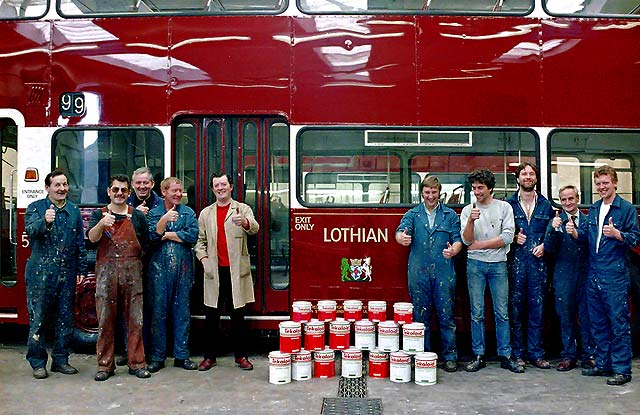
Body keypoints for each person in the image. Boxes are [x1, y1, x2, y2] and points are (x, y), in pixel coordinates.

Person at [569, 165, 640, 386]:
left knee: (618, 323)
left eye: (605, 183)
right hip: (594, 273)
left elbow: (636, 239)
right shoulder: (595, 208)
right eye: (598, 183)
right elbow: (589, 238)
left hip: (614, 274)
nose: (601, 187)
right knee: (597, 322)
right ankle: (603, 363)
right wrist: (575, 234)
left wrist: (619, 234)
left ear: (615, 183)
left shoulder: (626, 209)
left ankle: (622, 369)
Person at [24, 170, 87, 379]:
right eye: (57, 185)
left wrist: (81, 269)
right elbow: (31, 231)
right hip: (40, 272)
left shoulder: (73, 211)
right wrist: (46, 222)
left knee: (65, 318)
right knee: (39, 317)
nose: (62, 189)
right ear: (48, 188)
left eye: (65, 184)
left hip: (66, 271)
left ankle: (60, 360)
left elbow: (80, 243)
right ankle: (37, 362)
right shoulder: (36, 208)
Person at [395, 176, 462, 372]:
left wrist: (454, 251)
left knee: (446, 316)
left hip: (444, 272)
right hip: (419, 272)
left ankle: (450, 356)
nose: (430, 196)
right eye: (427, 193)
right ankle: (423, 355)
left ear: (439, 192)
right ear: (421, 193)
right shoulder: (413, 214)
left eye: (434, 192)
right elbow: (399, 232)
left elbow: (458, 240)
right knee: (420, 316)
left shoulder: (449, 215)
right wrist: (402, 238)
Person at [87, 175, 150, 381]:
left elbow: (146, 245)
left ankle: (137, 363)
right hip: (106, 273)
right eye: (115, 190)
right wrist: (101, 225)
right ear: (108, 192)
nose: (119, 194)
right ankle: (105, 366)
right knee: (105, 320)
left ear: (128, 193)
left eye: (123, 190)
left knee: (135, 320)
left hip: (133, 273)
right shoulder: (99, 214)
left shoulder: (137, 217)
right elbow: (91, 239)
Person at [194, 172, 259, 371]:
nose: (220, 188)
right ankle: (209, 357)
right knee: (211, 316)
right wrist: (204, 260)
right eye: (216, 185)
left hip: (235, 272)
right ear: (212, 189)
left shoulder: (242, 208)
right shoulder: (206, 213)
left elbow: (255, 228)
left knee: (238, 316)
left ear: (231, 186)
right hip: (214, 271)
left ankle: (241, 356)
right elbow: (199, 242)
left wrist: (245, 223)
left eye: (224, 184)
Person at [460, 169, 523, 373]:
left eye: (480, 188)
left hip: (498, 264)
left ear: (490, 188)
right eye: (474, 188)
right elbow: (467, 240)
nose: (476, 192)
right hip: (475, 266)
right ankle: (479, 355)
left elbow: (507, 237)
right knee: (476, 312)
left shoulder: (504, 208)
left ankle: (505, 354)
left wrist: (481, 245)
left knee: (502, 312)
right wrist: (471, 221)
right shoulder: (468, 210)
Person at [146, 177, 199, 372]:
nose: (178, 194)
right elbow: (152, 236)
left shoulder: (188, 212)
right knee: (158, 313)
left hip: (183, 271)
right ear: (164, 192)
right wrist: (164, 221)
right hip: (158, 272)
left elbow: (192, 236)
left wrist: (168, 235)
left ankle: (181, 355)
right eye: (173, 191)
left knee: (182, 313)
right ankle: (157, 357)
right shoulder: (155, 213)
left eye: (179, 191)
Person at [505, 162, 555, 369]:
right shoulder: (507, 205)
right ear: (517, 179)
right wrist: (513, 238)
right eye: (524, 174)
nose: (527, 177)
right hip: (515, 263)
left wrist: (545, 245)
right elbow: (500, 232)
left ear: (536, 178)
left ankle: (536, 353)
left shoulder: (546, 206)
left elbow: (553, 234)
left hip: (538, 265)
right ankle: (517, 354)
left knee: (537, 309)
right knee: (515, 311)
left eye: (531, 174)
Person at [543, 185, 595, 371]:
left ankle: (589, 355)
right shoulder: (555, 221)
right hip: (563, 276)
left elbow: (591, 244)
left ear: (578, 199)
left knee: (586, 316)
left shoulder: (589, 221)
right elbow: (548, 249)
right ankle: (568, 355)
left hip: (585, 275)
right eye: (563, 199)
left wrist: (575, 233)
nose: (567, 203)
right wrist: (552, 230)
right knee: (565, 317)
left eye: (571, 198)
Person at [116, 167, 161, 367]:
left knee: (151, 308)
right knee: (128, 309)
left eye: (146, 183)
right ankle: (129, 351)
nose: (142, 186)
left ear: (152, 184)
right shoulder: (123, 203)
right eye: (138, 183)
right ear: (133, 185)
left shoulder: (161, 204)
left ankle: (148, 352)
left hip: (155, 262)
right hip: (128, 262)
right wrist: (135, 216)